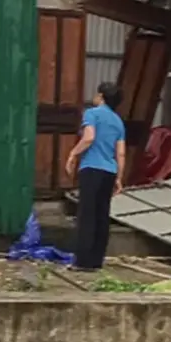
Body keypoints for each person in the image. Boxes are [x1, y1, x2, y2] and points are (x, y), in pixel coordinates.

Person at [64, 82, 126, 272]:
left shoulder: (92, 114)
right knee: (101, 215)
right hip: (109, 171)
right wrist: (119, 178)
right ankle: (96, 261)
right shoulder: (118, 121)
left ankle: (82, 261)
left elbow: (89, 138)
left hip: (91, 168)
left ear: (101, 97)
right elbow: (121, 153)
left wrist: (73, 154)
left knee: (87, 214)